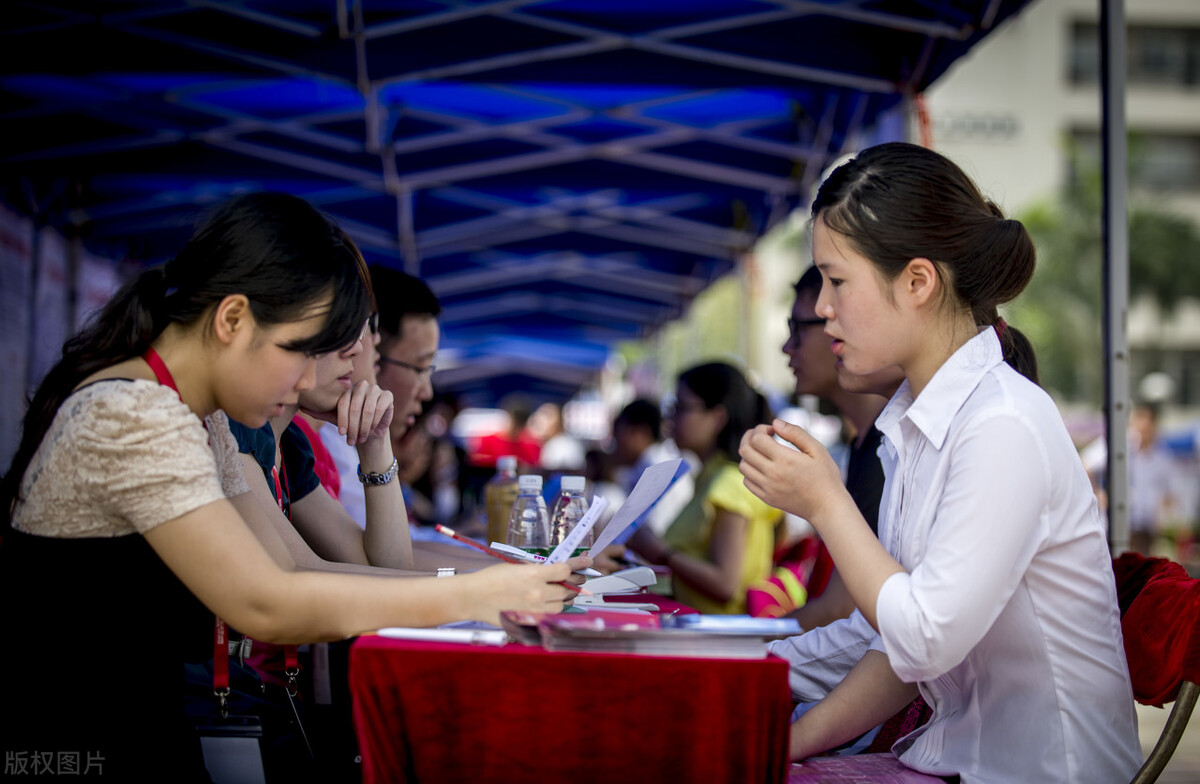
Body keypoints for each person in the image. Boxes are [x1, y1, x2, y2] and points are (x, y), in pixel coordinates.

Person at [0, 191, 587, 781]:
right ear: (231, 319)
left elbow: (297, 575)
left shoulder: (194, 418)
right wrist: (472, 595)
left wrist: (482, 583)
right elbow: (265, 603)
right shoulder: (132, 412)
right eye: (299, 352)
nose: (311, 379)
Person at [738, 142, 1141, 781]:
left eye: (836, 281)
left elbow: (921, 638)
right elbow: (892, 643)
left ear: (919, 281)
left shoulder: (1002, 424)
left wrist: (825, 501)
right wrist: (747, 672)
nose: (821, 309)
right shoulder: (919, 426)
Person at [778, 264, 903, 630]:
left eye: (798, 329)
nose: (788, 347)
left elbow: (842, 609)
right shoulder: (865, 442)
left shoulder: (890, 443)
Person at [623, 362, 783, 614]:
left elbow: (725, 584)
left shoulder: (728, 483)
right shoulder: (712, 478)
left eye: (681, 407)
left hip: (718, 639)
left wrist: (659, 552)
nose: (671, 418)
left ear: (717, 417)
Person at [610, 397, 695, 538]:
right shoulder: (651, 464)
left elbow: (653, 536)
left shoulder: (657, 469)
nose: (615, 446)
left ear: (640, 432)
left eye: (618, 435)